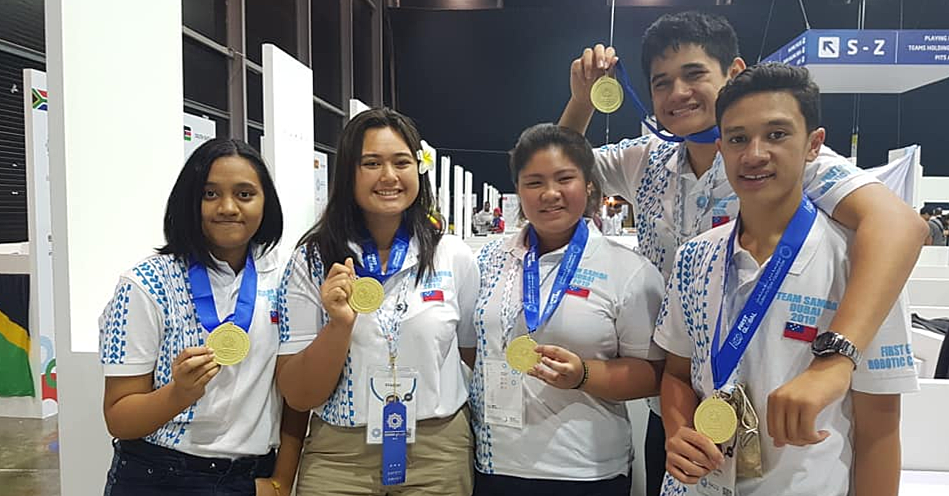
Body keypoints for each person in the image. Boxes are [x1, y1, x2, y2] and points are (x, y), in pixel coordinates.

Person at [558, 11, 927, 495]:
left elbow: (901, 224)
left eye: (693, 74)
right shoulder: (646, 159)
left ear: (733, 72)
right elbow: (561, 169)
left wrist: (837, 357)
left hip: (785, 404)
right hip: (677, 390)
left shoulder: (790, 161)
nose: (678, 93)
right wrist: (582, 101)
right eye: (662, 82)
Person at [655, 63, 919, 496]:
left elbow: (880, 430)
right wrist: (678, 430)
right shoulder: (694, 257)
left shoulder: (860, 264)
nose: (755, 154)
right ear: (721, 149)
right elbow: (678, 373)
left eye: (776, 135)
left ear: (814, 145)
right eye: (738, 139)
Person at [276, 107, 478, 495]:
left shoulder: (453, 256)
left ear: (418, 168)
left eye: (401, 162)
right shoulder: (313, 260)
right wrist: (339, 325)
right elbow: (299, 395)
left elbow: (469, 354)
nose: (388, 176)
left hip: (436, 451)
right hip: (341, 457)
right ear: (348, 173)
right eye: (371, 163)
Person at [98, 138, 308, 495]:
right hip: (159, 475)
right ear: (189, 201)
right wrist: (178, 393)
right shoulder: (146, 284)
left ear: (266, 203)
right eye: (210, 194)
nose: (227, 207)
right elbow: (119, 418)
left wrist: (282, 480)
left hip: (253, 476)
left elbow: (294, 396)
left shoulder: (287, 277)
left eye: (244, 194)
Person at [470, 123, 666, 495]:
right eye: (534, 182)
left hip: (585, 469)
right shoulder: (490, 259)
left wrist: (583, 375)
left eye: (564, 179)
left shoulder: (628, 270)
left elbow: (654, 374)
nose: (550, 194)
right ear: (518, 189)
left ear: (589, 184)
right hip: (495, 462)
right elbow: (471, 349)